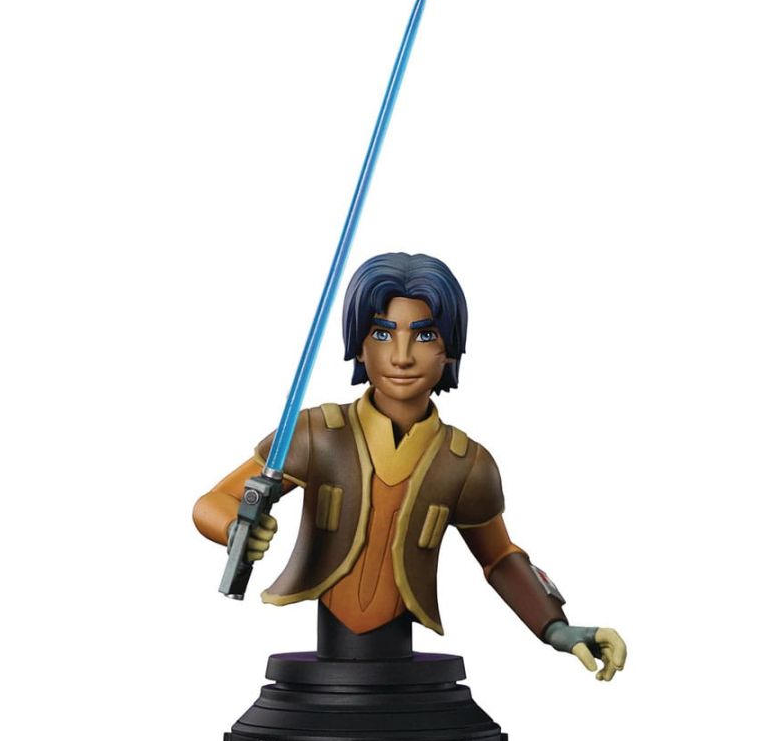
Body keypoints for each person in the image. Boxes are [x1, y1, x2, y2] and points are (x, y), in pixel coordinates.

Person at [193, 252, 626, 678]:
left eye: (424, 335)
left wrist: (556, 628)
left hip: (408, 673)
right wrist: (235, 527)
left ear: (448, 350)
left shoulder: (465, 462)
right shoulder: (316, 433)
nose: (401, 356)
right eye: (382, 334)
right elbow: (212, 502)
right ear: (359, 347)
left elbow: (499, 558)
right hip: (323, 664)